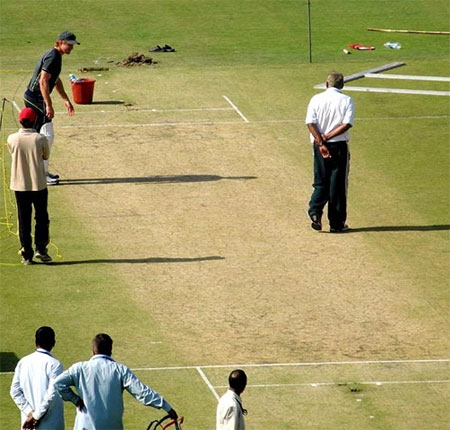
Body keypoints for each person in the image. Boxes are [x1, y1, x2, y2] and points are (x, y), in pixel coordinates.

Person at [54, 333, 178, 430]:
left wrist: (75, 399)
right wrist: (166, 406)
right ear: (111, 350)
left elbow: (58, 383)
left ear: (93, 350)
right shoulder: (120, 370)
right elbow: (142, 392)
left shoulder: (79, 368)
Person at [24, 31, 80, 185]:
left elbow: (55, 80)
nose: (71, 48)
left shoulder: (56, 56)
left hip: (35, 97)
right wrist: (48, 104)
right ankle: (41, 174)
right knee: (47, 135)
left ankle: (37, 171)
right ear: (60, 42)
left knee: (40, 134)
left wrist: (66, 100)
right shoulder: (53, 56)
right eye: (69, 44)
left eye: (72, 45)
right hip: (36, 98)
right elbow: (43, 81)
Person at [305, 71, 355, 233]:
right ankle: (337, 223)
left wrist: (321, 143)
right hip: (338, 146)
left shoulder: (316, 99)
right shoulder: (346, 100)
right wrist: (327, 137)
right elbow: (347, 124)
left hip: (320, 146)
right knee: (338, 185)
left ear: (327, 83)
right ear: (342, 85)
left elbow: (310, 123)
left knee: (321, 181)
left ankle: (315, 211)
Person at [7, 107, 52, 264]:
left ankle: (26, 253)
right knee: (41, 218)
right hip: (38, 184)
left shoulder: (12, 138)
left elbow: (12, 152)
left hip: (20, 185)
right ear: (34, 121)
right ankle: (41, 249)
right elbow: (45, 156)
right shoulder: (40, 139)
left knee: (23, 219)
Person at [10, 326, 64, 430]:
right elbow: (52, 394)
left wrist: (29, 412)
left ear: (36, 342)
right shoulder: (55, 365)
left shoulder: (23, 362)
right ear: (53, 343)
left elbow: (14, 391)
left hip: (28, 424)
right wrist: (36, 416)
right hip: (50, 425)